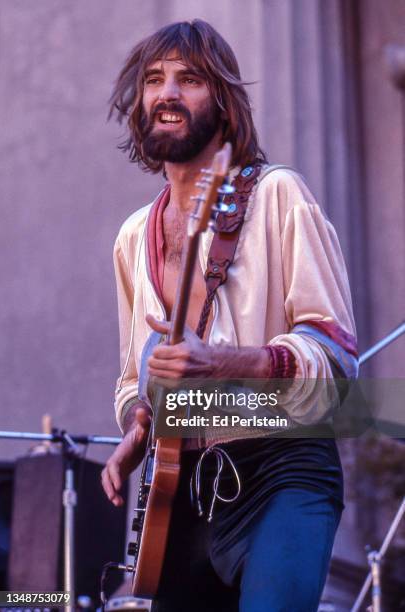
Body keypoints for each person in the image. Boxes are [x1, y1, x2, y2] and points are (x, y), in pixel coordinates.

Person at [101, 19, 358, 612]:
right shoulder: (131, 238)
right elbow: (129, 380)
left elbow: (337, 361)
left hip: (282, 468)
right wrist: (140, 425)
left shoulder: (277, 196)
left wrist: (223, 362)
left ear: (221, 101)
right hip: (178, 490)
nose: (167, 93)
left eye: (188, 79)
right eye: (154, 80)